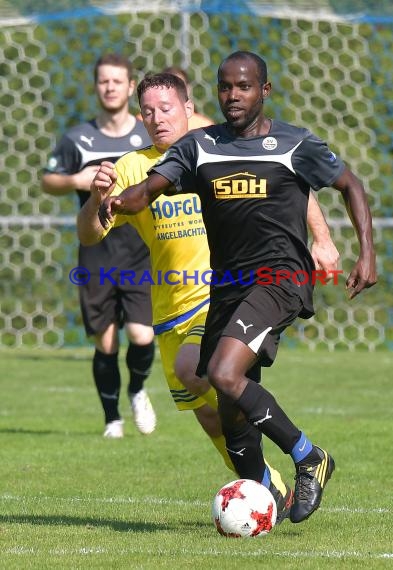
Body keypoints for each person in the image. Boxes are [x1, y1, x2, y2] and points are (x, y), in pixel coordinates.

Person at [78, 70, 344, 524]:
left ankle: (303, 457)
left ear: (187, 108)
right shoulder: (131, 168)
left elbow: (286, 181)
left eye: (167, 109)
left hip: (222, 293)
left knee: (199, 369)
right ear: (139, 118)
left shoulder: (217, 146)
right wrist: (96, 198)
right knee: (211, 417)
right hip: (169, 311)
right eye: (148, 112)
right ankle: (265, 490)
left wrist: (321, 238)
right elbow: (90, 234)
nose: (158, 118)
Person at [41, 53, 157, 439]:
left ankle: (138, 389)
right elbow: (48, 180)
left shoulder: (146, 136)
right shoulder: (78, 138)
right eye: (103, 81)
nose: (109, 87)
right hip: (96, 250)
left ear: (129, 87)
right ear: (97, 87)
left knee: (142, 335)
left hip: (140, 250)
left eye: (117, 81)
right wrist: (79, 180)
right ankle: (112, 419)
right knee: (105, 342)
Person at [137, 66, 214, 130]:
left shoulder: (204, 126)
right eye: (167, 86)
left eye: (165, 109)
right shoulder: (140, 123)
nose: (157, 120)